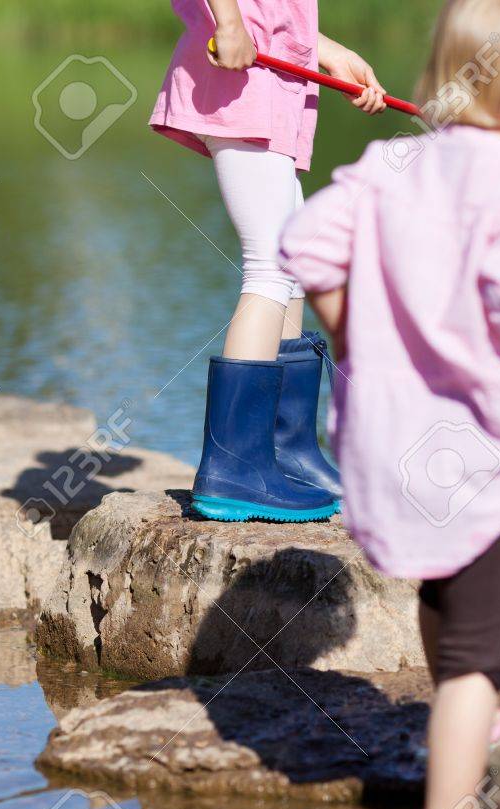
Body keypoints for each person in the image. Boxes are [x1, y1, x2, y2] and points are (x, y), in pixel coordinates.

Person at [278, 0, 500, 809]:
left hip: (393, 439)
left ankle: (470, 718)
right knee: (475, 657)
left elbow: (305, 244)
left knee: (440, 582)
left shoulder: (393, 163)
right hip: (479, 443)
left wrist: (353, 334)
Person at [150, 0, 387, 523]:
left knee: (293, 263)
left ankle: (285, 454)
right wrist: (230, 23)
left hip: (271, 81)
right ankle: (235, 468)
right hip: (242, 83)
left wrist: (327, 52)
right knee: (271, 268)